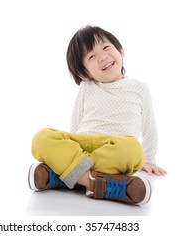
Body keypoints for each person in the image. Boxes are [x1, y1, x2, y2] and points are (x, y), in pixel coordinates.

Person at [28, 25, 166, 205]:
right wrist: (70, 147)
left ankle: (64, 176)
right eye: (91, 56)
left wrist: (149, 159)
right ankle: (93, 181)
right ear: (84, 73)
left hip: (114, 147)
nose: (102, 57)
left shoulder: (139, 89)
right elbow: (76, 120)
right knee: (42, 137)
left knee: (133, 150)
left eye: (106, 47)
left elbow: (149, 126)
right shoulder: (87, 87)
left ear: (121, 51)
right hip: (82, 143)